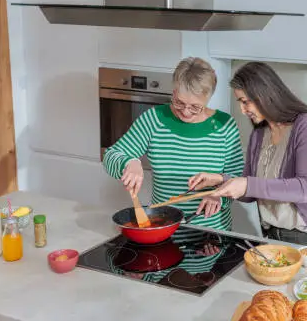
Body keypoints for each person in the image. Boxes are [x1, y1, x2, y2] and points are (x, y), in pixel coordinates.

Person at [189, 62, 307, 253]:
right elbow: (251, 192)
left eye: (245, 101)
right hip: (274, 237)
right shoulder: (259, 134)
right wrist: (220, 180)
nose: (242, 110)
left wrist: (246, 184)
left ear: (264, 94)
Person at [103, 57, 244, 231]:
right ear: (174, 90)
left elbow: (238, 177)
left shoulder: (225, 125)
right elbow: (111, 156)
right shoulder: (154, 119)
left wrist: (220, 197)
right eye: (179, 102)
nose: (185, 112)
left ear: (208, 98)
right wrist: (129, 162)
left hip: (212, 233)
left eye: (195, 107)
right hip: (163, 229)